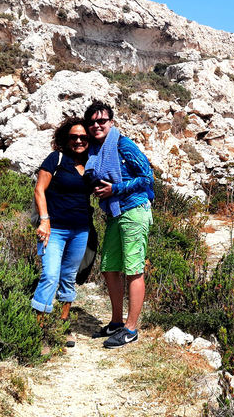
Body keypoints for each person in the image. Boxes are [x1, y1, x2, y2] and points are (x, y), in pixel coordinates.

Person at [84, 100, 154, 349]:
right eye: (91, 122)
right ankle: (116, 322)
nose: (96, 125)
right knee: (109, 267)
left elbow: (147, 176)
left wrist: (116, 188)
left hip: (134, 209)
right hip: (115, 213)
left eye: (101, 120)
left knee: (133, 268)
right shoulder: (95, 150)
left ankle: (131, 329)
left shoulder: (123, 145)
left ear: (111, 122)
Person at [30, 116, 92, 348]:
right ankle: (40, 332)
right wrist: (44, 220)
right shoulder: (56, 159)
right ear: (66, 139)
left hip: (80, 231)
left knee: (68, 278)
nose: (78, 140)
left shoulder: (91, 162)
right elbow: (39, 189)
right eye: (74, 137)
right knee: (50, 276)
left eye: (83, 137)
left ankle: (63, 327)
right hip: (54, 230)